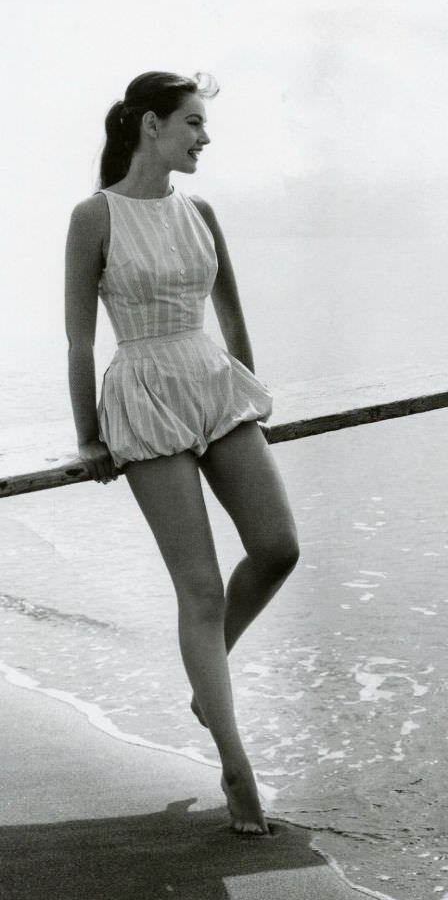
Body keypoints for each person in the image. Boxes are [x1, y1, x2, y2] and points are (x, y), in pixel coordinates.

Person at [64, 70, 300, 836]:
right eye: (193, 123)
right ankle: (237, 770)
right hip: (142, 390)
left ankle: (209, 680)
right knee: (198, 588)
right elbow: (78, 337)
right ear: (150, 125)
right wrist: (88, 436)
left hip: (213, 384)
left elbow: (231, 312)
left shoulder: (200, 210)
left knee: (278, 548)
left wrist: (254, 396)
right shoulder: (93, 216)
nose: (204, 139)